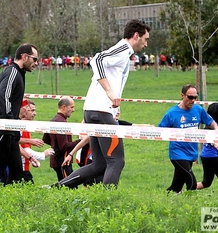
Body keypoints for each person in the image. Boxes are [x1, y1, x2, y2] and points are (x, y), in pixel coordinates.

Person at [56, 19, 150, 189]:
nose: (146, 44)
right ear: (136, 35)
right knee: (116, 161)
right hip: (100, 112)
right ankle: (108, 202)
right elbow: (96, 60)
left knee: (99, 165)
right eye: (145, 39)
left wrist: (115, 107)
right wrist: (109, 92)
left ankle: (58, 187)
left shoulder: (124, 53)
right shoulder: (123, 48)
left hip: (94, 111)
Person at [0, 43, 39, 185]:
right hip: (0, 128)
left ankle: (14, 203)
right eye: (34, 59)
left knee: (17, 172)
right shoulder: (13, 71)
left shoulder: (19, 73)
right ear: (24, 57)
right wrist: (10, 123)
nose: (36, 63)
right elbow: (2, 96)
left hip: (9, 128)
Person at [158, 84, 218, 194]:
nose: (193, 100)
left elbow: (211, 122)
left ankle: (163, 198)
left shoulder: (198, 110)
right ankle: (192, 204)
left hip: (192, 153)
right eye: (190, 97)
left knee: (176, 186)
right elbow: (160, 130)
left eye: (195, 97)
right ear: (182, 95)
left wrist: (217, 130)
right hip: (177, 152)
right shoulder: (171, 113)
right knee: (191, 183)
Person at [42, 96, 81, 182]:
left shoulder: (54, 120)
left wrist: (54, 144)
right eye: (71, 107)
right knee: (70, 186)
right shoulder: (61, 122)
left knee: (64, 185)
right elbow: (63, 146)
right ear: (63, 107)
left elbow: (45, 138)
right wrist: (81, 142)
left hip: (57, 160)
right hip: (62, 161)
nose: (73, 110)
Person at [196, 103, 218, 190]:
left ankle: (185, 189)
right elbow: (206, 134)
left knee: (206, 182)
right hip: (210, 157)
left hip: (206, 156)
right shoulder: (210, 127)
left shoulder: (217, 125)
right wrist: (215, 143)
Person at [19, 100, 54, 183]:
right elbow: (23, 149)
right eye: (32, 110)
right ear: (23, 110)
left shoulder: (25, 126)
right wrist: (43, 155)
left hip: (22, 167)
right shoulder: (21, 127)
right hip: (21, 168)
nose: (35, 113)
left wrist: (31, 159)